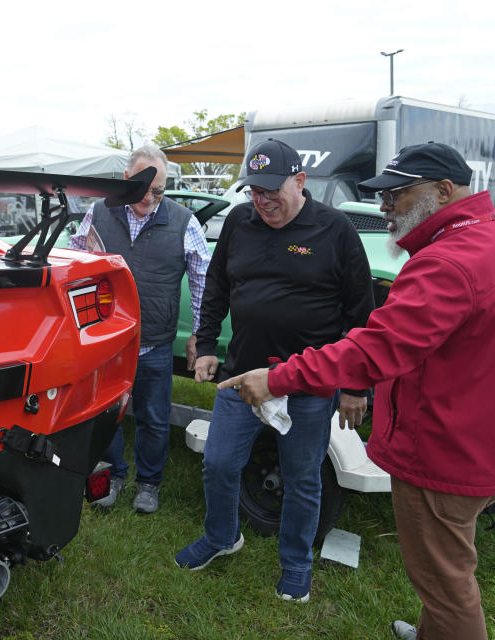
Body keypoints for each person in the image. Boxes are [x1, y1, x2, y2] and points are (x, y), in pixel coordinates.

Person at [222, 143, 495, 639]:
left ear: (443, 190)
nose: (384, 207)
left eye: (396, 195)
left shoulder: (448, 262)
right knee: (447, 571)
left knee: (446, 584)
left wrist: (278, 378)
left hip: (441, 448)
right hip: (488, 439)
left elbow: (374, 349)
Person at [174, 139, 374, 603]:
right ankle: (223, 536)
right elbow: (218, 286)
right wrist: (205, 344)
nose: (261, 202)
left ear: (300, 181)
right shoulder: (240, 223)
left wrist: (355, 384)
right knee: (220, 463)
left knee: (302, 477)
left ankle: (297, 563)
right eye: (253, 192)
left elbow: (361, 315)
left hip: (308, 381)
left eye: (270, 191)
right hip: (243, 376)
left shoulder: (336, 229)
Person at [69, 144, 210, 514]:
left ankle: (149, 483)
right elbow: (73, 260)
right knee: (107, 413)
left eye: (159, 190)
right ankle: (114, 474)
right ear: (127, 180)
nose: (151, 197)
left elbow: (202, 280)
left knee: (154, 417)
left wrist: (199, 334)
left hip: (155, 344)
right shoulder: (99, 212)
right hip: (108, 342)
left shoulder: (183, 221)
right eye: (144, 187)